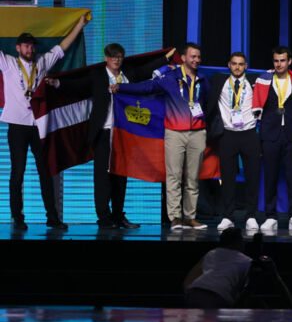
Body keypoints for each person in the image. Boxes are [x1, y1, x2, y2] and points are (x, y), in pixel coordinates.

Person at [58, 40, 172, 230]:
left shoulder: (128, 74)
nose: (116, 60)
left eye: (119, 57)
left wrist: (166, 58)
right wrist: (58, 83)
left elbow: (146, 70)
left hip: (125, 134)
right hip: (104, 132)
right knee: (102, 178)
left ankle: (118, 216)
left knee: (121, 176)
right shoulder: (98, 76)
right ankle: (104, 218)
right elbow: (78, 85)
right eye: (113, 57)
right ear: (106, 58)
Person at [2, 12, 89, 230]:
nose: (30, 50)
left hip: (38, 126)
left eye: (32, 46)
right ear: (17, 48)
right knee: (18, 172)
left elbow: (63, 47)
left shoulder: (42, 61)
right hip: (17, 126)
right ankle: (17, 218)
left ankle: (52, 217)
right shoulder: (8, 63)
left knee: (45, 171)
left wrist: (80, 24)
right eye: (26, 46)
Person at [116, 41, 210, 231]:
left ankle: (190, 217)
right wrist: (121, 87)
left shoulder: (203, 80)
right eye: (192, 56)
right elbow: (146, 87)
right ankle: (175, 218)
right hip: (174, 133)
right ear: (183, 58)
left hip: (198, 133)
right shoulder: (170, 78)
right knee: (174, 177)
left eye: (198, 57)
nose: (196, 60)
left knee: (192, 178)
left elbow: (207, 103)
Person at [249, 46, 292, 235]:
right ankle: (270, 216)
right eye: (276, 61)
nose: (279, 64)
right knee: (270, 175)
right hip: (270, 133)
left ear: (289, 61)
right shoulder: (264, 80)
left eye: (283, 60)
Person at [206, 51, 261, 233]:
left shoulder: (255, 80)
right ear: (229, 65)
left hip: (249, 134)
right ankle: (228, 216)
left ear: (246, 66)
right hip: (227, 135)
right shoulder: (218, 80)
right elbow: (198, 73)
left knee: (252, 177)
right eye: (234, 63)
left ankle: (251, 215)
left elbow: (277, 77)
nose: (237, 67)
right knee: (227, 178)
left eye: (241, 64)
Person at [183, 227, 254, 308]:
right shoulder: (247, 261)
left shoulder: (211, 253)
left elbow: (187, 282)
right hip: (217, 296)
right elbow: (248, 291)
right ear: (239, 242)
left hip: (195, 292)